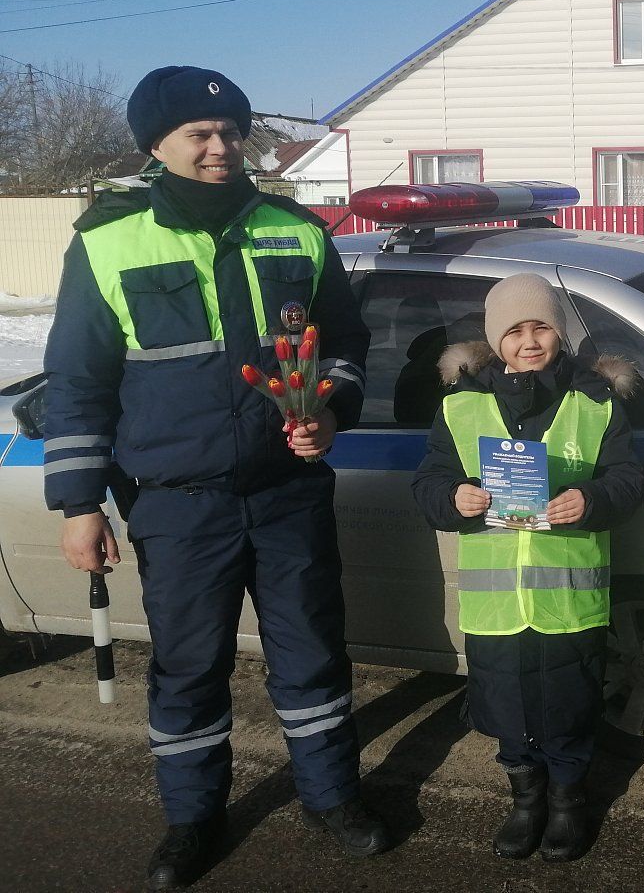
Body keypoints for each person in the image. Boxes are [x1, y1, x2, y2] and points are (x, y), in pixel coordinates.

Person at [44, 66, 388, 890]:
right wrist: (78, 503)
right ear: (155, 145)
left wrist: (330, 408)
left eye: (231, 131)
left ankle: (331, 796)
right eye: (199, 134)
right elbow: (77, 381)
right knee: (189, 668)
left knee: (310, 656)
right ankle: (194, 818)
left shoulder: (295, 230)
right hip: (175, 504)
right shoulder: (107, 240)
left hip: (286, 494)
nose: (219, 146)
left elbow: (344, 344)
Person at [410, 272, 643, 863]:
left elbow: (625, 480)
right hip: (497, 603)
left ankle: (567, 801)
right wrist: (453, 500)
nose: (530, 340)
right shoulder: (462, 405)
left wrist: (589, 500)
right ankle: (524, 799)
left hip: (568, 597)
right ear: (496, 339)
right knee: (508, 706)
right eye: (515, 330)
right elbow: (431, 481)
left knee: (569, 700)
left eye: (541, 326)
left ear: (560, 335)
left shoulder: (594, 401)